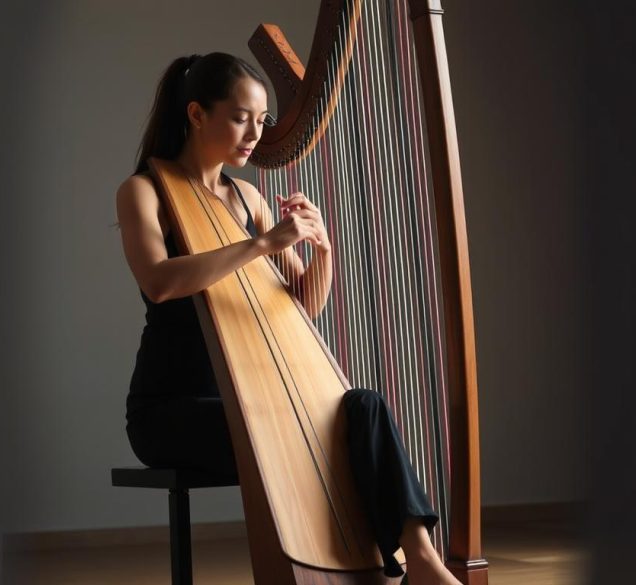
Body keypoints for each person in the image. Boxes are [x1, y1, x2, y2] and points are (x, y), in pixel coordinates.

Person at [115, 52, 461, 585]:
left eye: (262, 121)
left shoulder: (247, 196)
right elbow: (159, 283)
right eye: (240, 117)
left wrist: (321, 250)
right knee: (303, 434)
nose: (254, 133)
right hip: (174, 410)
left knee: (362, 407)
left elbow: (304, 304)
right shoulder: (144, 190)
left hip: (258, 403)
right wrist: (261, 243)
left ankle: (422, 558)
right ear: (197, 114)